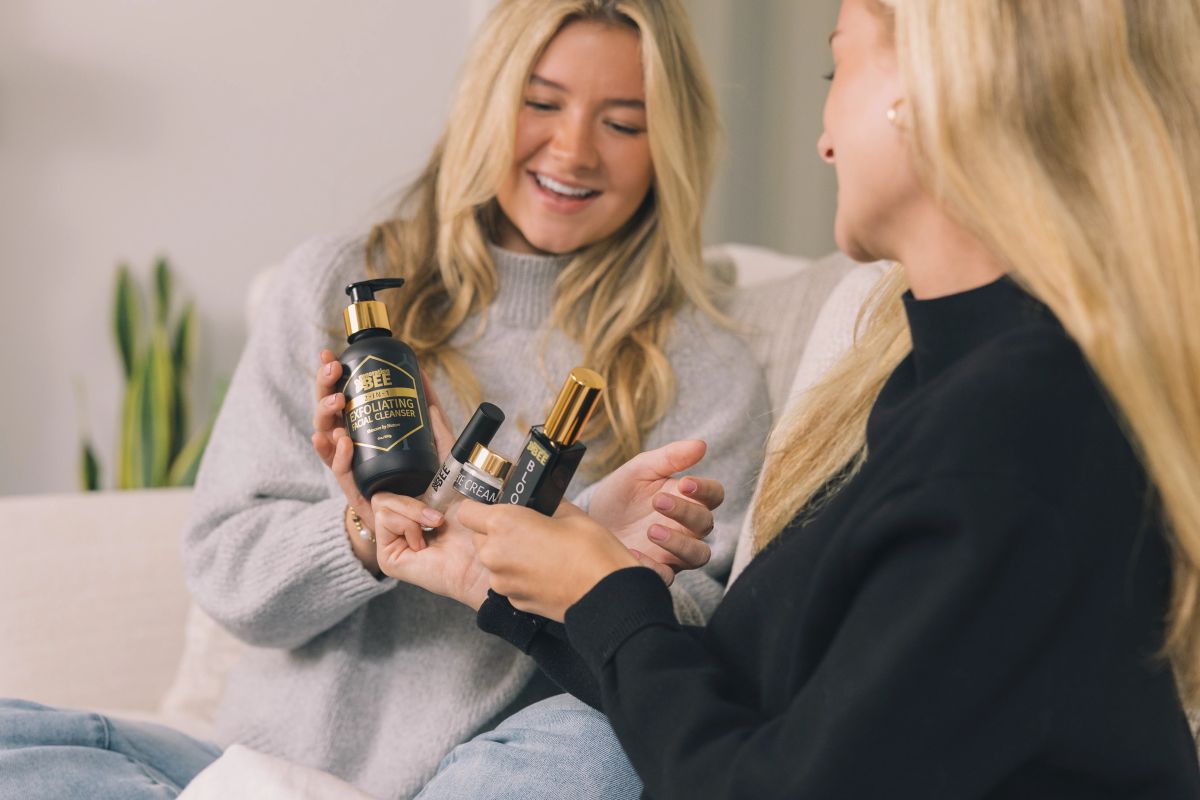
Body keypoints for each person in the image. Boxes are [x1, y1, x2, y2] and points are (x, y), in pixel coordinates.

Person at [399, 0, 1200, 796]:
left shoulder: (1015, 437)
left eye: (835, 65)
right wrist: (521, 581)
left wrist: (607, 593)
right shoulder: (927, 383)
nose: (821, 142)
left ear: (929, 89)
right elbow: (743, 706)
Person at [0, 1, 768, 798]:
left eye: (624, 122)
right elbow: (229, 576)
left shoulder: (708, 369)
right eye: (540, 103)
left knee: (603, 744)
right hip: (253, 771)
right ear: (485, 102)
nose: (572, 150)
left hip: (495, 777)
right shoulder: (335, 287)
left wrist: (598, 572)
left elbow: (693, 675)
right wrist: (363, 534)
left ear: (669, 144)